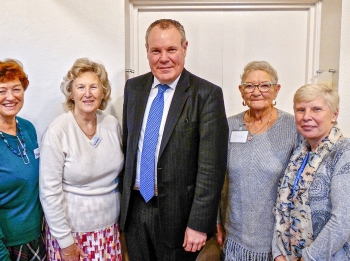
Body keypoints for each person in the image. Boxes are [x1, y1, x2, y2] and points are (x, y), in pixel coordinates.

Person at [120, 19, 228, 261]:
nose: (164, 58)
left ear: (185, 48)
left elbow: (211, 168)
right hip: (136, 210)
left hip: (180, 216)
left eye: (171, 50)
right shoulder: (133, 88)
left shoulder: (207, 94)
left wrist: (199, 223)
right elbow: (129, 147)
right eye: (156, 50)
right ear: (146, 51)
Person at [39, 58, 124, 261]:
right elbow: (49, 192)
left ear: (103, 92)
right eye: (80, 87)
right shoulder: (58, 131)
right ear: (71, 92)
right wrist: (66, 243)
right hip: (71, 235)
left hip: (109, 232)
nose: (88, 93)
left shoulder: (112, 124)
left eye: (94, 87)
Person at [215, 61, 298, 260]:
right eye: (249, 86)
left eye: (264, 85)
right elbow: (218, 177)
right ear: (241, 91)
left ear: (276, 90)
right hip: (234, 233)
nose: (256, 91)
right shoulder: (228, 125)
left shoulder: (293, 127)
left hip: (276, 237)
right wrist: (216, 220)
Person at [0, 59, 45, 261]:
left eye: (16, 89)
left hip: (34, 239)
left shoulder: (28, 128)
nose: (10, 97)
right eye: (0, 91)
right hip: (0, 247)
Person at [273, 83, 350, 261]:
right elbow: (281, 207)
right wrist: (278, 254)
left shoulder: (344, 152)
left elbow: (343, 221)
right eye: (300, 110)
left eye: (316, 109)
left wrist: (308, 258)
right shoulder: (299, 153)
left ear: (334, 114)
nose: (307, 117)